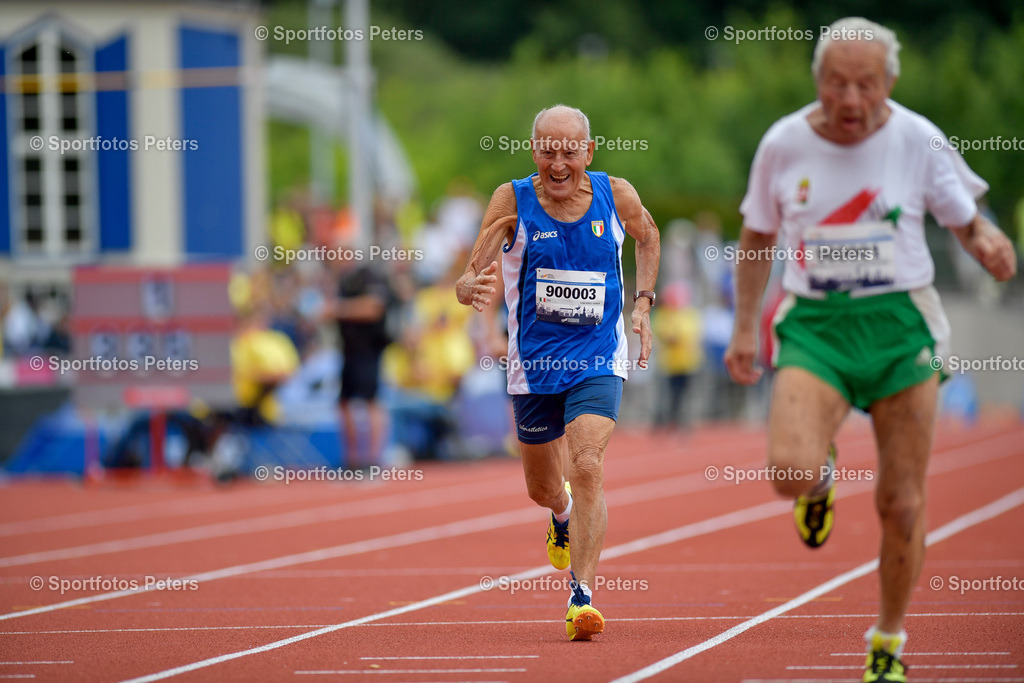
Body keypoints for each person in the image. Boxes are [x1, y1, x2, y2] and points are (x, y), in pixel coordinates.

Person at [724, 17, 1017, 683]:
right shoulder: (783, 143)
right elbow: (755, 240)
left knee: (902, 501)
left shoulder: (918, 138)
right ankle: (821, 481)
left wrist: (987, 242)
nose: (851, 100)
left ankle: (886, 641)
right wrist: (746, 327)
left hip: (900, 327)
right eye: (836, 83)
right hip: (816, 325)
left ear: (889, 83)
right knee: (789, 471)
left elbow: (964, 217)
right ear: (817, 83)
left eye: (866, 85)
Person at [455, 104, 659, 640]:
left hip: (597, 355)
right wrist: (464, 286)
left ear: (589, 153)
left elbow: (649, 236)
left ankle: (582, 595)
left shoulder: (617, 196)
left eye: (570, 150)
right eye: (549, 149)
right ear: (534, 151)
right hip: (535, 364)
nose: (559, 161)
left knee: (588, 462)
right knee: (543, 487)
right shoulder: (512, 200)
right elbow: (473, 267)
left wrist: (642, 303)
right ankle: (561, 513)